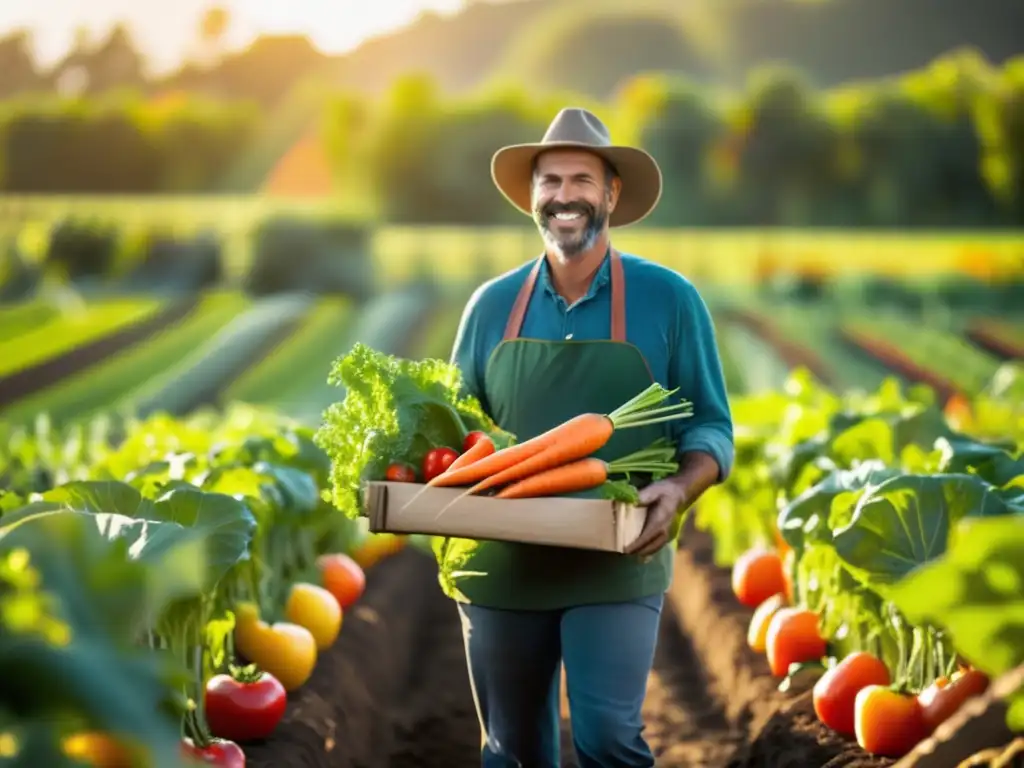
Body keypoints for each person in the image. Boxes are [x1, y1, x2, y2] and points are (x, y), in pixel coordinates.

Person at [446, 107, 735, 768]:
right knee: (511, 751)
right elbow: (452, 427)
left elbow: (712, 426)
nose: (564, 195)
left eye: (582, 179)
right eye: (550, 181)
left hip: (620, 549)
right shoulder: (492, 305)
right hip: (501, 561)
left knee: (608, 738)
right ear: (532, 197)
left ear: (611, 194)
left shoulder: (670, 300)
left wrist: (681, 488)